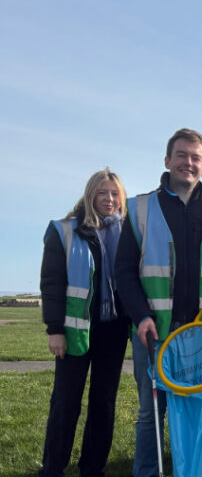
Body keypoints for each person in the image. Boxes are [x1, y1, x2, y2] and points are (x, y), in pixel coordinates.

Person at [116, 128, 202, 477]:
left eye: (195, 158)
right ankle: (147, 472)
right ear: (167, 160)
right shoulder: (140, 208)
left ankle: (200, 470)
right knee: (150, 412)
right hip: (153, 329)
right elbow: (124, 271)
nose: (188, 162)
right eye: (182, 155)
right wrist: (141, 316)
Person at [39, 168, 131, 477]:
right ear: (90, 195)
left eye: (115, 193)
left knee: (103, 402)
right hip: (75, 328)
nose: (109, 199)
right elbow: (51, 283)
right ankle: (52, 468)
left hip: (114, 329)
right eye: (102, 192)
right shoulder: (64, 230)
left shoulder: (129, 233)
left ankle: (93, 468)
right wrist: (55, 330)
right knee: (66, 401)